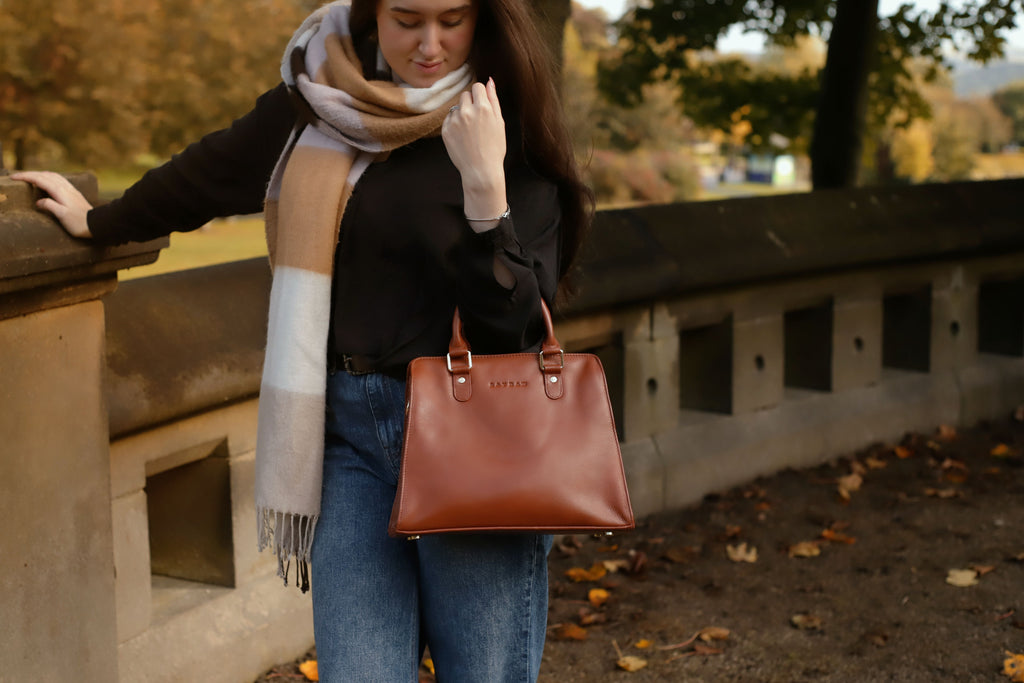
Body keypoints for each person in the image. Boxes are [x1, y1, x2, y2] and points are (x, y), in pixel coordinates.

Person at [13, 0, 592, 680]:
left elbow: (513, 325)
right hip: (346, 435)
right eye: (408, 19)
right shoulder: (322, 94)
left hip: (474, 440)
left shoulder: (501, 122)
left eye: (452, 19)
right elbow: (214, 169)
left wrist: (485, 186)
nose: (430, 43)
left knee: (484, 671)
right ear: (373, 14)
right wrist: (100, 221)